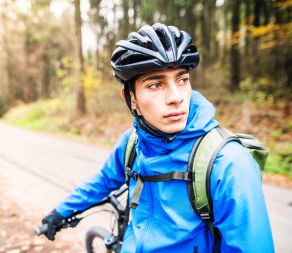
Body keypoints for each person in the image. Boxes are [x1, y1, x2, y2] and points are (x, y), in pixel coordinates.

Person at [40, 23, 274, 252]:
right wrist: (60, 212)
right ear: (131, 97)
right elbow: (102, 182)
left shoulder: (228, 164)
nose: (176, 97)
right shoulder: (132, 142)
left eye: (182, 80)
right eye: (155, 85)